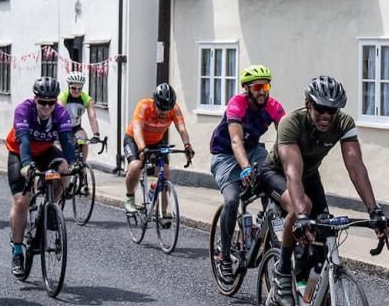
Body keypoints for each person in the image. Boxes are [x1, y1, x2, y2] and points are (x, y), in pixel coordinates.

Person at [261, 75, 389, 306]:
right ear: (308, 104)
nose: (327, 116)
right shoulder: (292, 122)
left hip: (310, 176)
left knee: (324, 232)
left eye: (333, 110)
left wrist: (374, 210)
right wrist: (301, 216)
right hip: (277, 174)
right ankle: (282, 273)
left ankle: (308, 300)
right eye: (321, 108)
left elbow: (356, 167)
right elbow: (292, 173)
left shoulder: (343, 123)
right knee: (302, 207)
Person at [210, 64, 285, 282]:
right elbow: (235, 140)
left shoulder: (273, 106)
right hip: (225, 154)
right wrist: (244, 169)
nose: (263, 91)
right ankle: (224, 255)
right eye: (258, 87)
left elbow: (289, 134)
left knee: (271, 182)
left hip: (253, 150)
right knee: (232, 200)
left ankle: (270, 231)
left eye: (266, 86)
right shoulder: (237, 104)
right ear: (247, 88)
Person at [5, 76, 75, 276]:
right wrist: (27, 165)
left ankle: (51, 207)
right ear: (35, 99)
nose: (46, 106)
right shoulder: (23, 110)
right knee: (22, 201)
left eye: (50, 102)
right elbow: (24, 140)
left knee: (64, 168)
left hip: (45, 151)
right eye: (42, 102)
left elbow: (67, 141)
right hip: (19, 152)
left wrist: (73, 163)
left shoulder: (61, 113)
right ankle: (17, 251)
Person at [122, 83, 194, 212]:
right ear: (154, 102)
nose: (164, 113)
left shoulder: (174, 109)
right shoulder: (144, 106)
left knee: (165, 174)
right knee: (135, 166)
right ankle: (129, 197)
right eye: (161, 109)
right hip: (134, 139)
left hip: (156, 141)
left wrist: (187, 146)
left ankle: (164, 213)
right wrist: (142, 148)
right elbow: (137, 129)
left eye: (167, 110)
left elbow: (182, 129)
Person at [58, 71, 100, 162]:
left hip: (76, 127)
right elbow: (60, 114)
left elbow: (92, 117)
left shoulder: (86, 99)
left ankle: (82, 165)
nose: (77, 91)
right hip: (63, 127)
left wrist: (96, 134)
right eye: (73, 88)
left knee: (84, 141)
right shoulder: (63, 97)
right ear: (69, 86)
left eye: (79, 88)